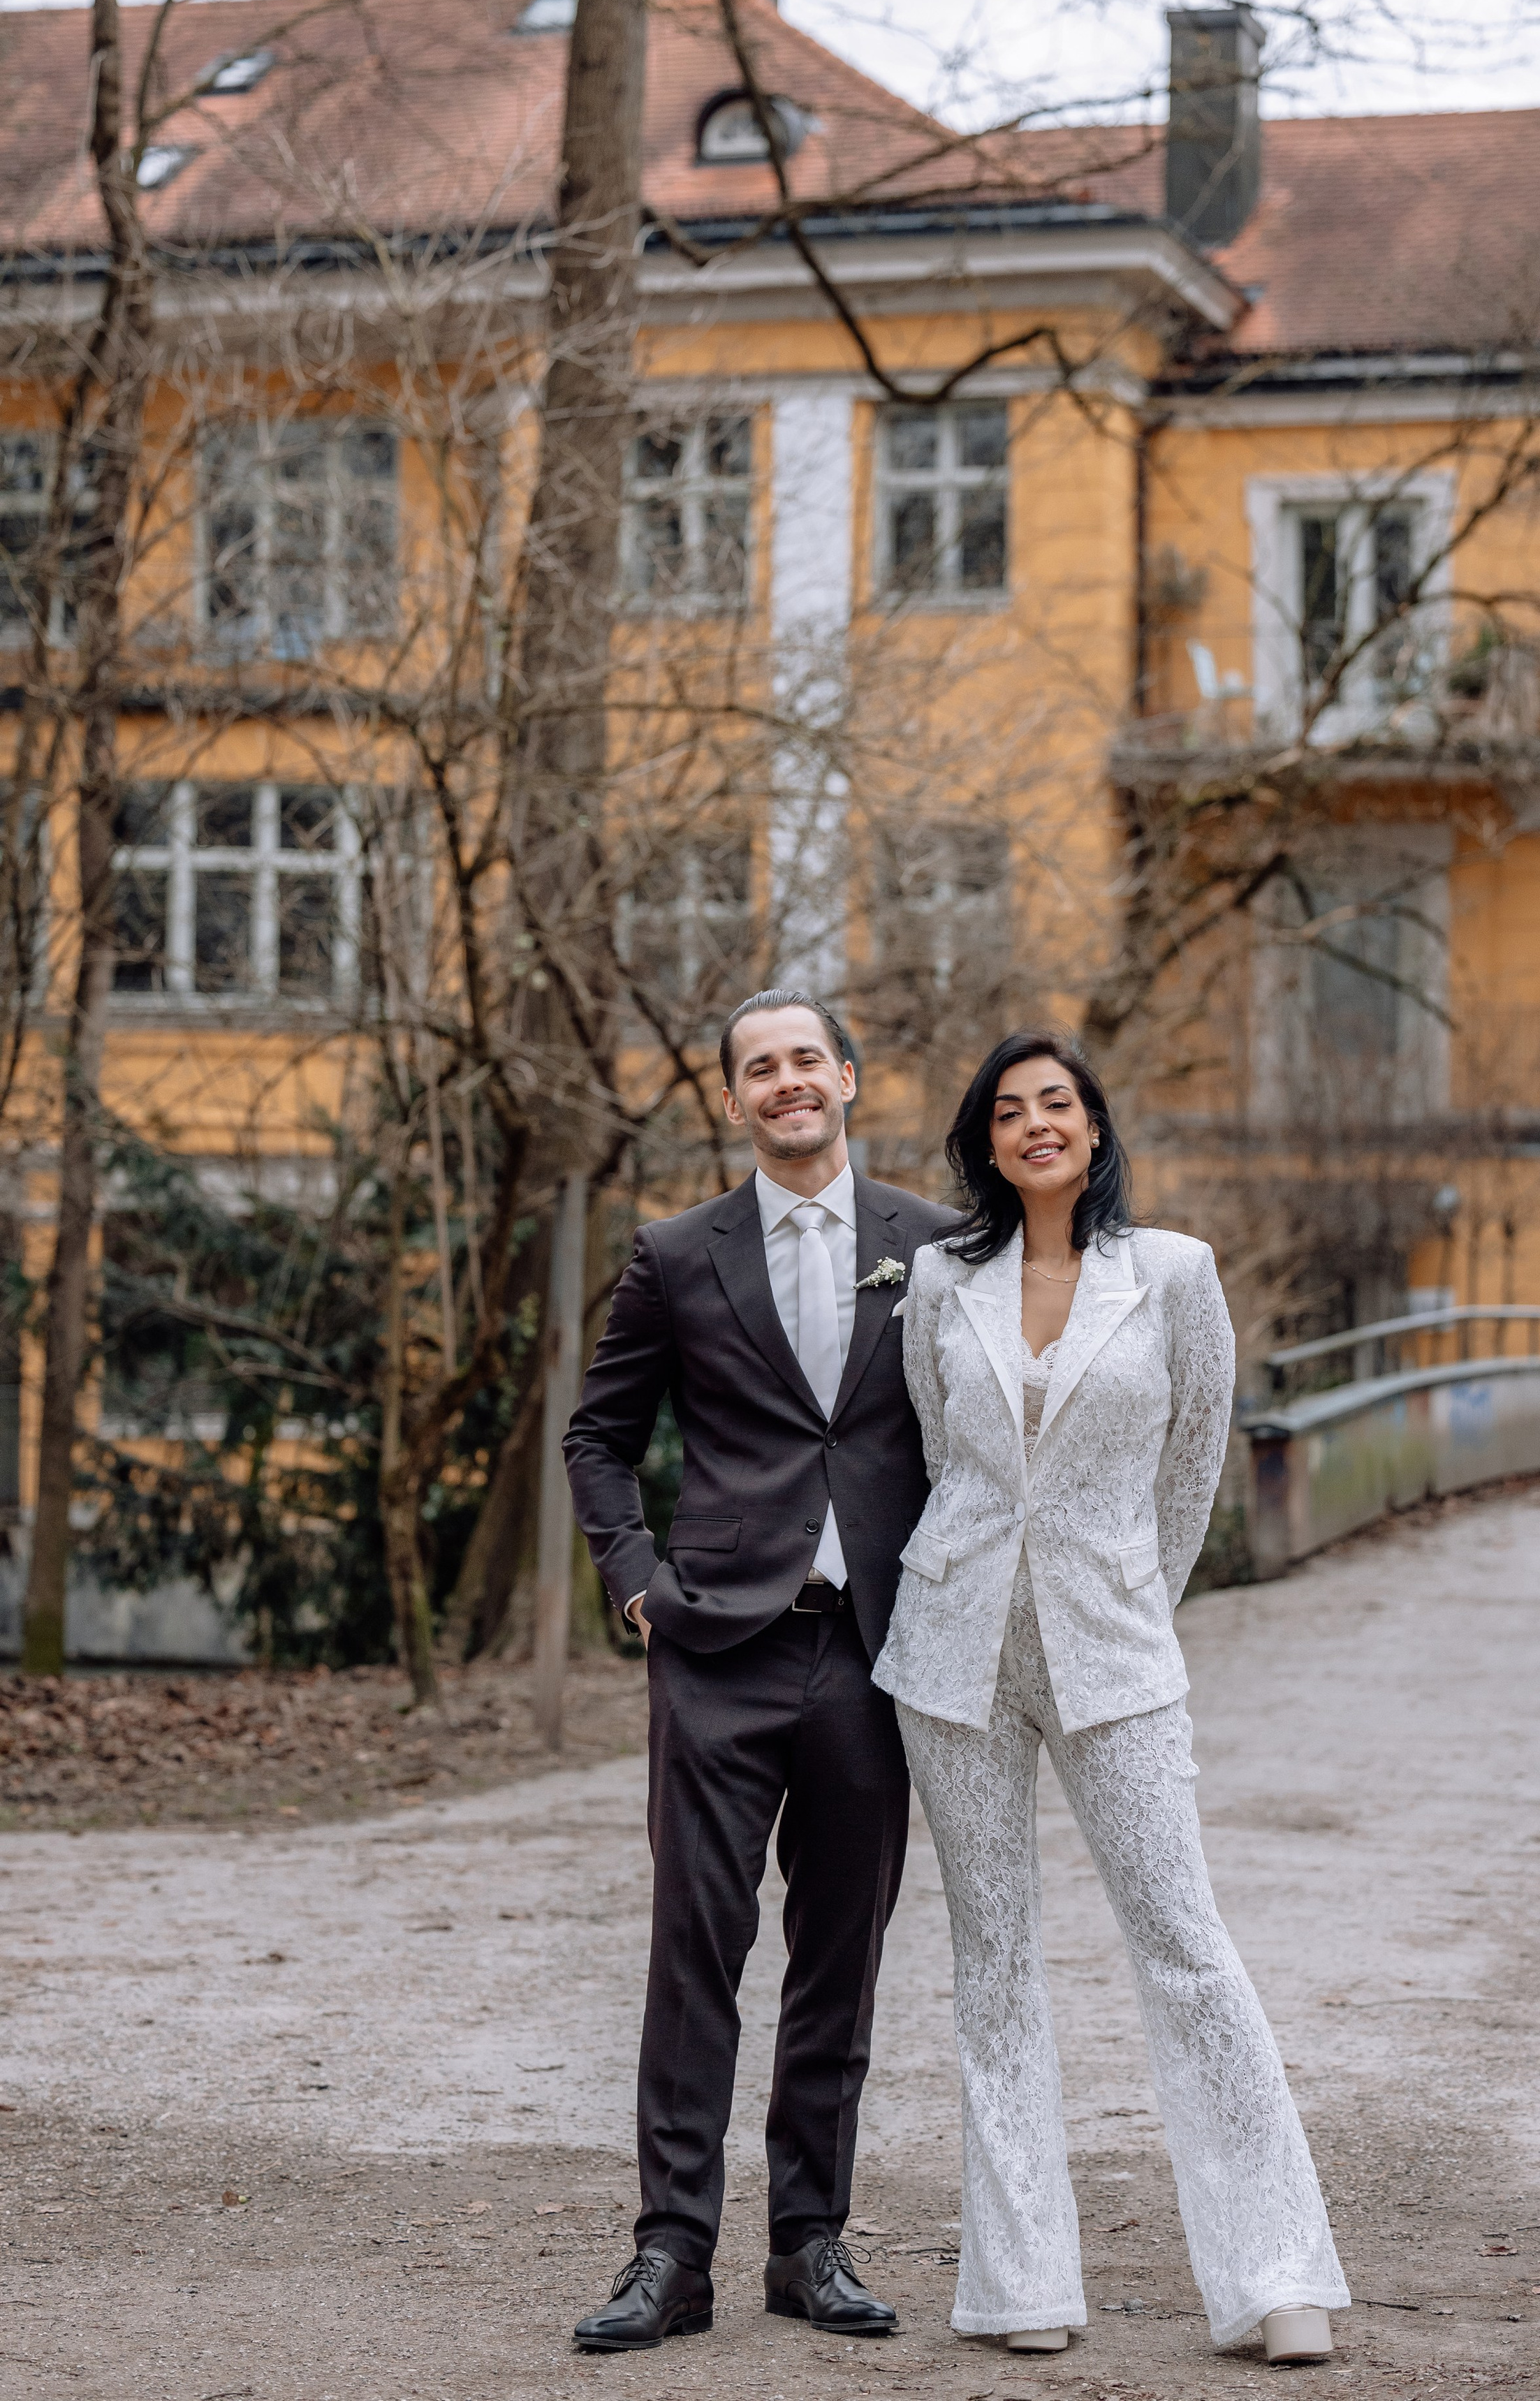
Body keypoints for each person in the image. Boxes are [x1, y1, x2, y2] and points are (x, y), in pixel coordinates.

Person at [872, 1029, 1350, 2367]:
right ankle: (1020, 2281)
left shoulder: (1174, 1273)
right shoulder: (941, 1283)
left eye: (1058, 1104)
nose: (1036, 1124)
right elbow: (938, 1453)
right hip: (951, 1653)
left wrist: (1125, 1598)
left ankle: (1277, 2276)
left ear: (1093, 1128)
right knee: (994, 1960)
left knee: (1186, 1944)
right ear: (984, 1145)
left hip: (1116, 1654)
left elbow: (1193, 1465)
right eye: (1009, 1111)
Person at [562, 990, 956, 2354]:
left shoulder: (934, 1247)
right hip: (717, 1649)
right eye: (759, 1069)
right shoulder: (677, 1254)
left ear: (847, 1077)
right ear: (732, 1101)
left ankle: (808, 2243)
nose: (786, 1082)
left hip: (873, 1652)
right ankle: (670, 2254)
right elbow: (598, 1437)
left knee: (839, 1954)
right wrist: (635, 1582)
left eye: (806, 1060)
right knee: (696, 1953)